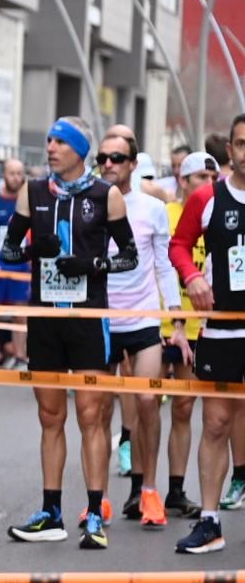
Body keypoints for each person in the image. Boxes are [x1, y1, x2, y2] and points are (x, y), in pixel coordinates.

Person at [0, 116, 138, 550]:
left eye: (60, 141)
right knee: (49, 416)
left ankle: (94, 513)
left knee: (92, 415)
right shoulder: (33, 191)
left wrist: (93, 265)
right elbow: (5, 251)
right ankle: (51, 511)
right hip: (44, 318)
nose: (51, 147)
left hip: (88, 318)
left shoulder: (106, 195)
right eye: (50, 139)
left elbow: (129, 256)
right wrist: (28, 252)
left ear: (79, 149)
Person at [169, 114, 245, 553]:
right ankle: (211, 521)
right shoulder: (207, 198)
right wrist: (193, 277)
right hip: (221, 326)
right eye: (239, 143)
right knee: (215, 422)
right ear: (229, 151)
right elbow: (178, 245)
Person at [96, 129, 179, 529]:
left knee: (148, 405)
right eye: (103, 158)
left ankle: (148, 490)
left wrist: (177, 321)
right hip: (101, 320)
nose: (108, 165)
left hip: (144, 318)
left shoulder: (151, 207)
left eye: (117, 158)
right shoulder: (89, 204)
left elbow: (164, 265)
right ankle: (99, 501)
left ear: (132, 164)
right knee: (95, 410)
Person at [162, 151, 219, 519]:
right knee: (145, 408)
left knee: (186, 408)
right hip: (163, 323)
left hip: (202, 326)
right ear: (183, 181)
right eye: (200, 177)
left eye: (212, 175)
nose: (209, 183)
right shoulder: (165, 214)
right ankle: (141, 486)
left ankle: (177, 490)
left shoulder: (218, 211)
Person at [0, 158, 30, 364]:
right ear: (4, 174)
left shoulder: (27, 199)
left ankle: (20, 357)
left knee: (20, 313)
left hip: (20, 266)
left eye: (20, 173)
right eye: (12, 173)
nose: (16, 177)